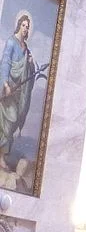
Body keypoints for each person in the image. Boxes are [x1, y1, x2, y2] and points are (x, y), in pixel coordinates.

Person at [0, 11, 47, 172]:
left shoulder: (25, 47)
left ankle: (2, 156)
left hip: (20, 93)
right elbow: (5, 63)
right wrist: (5, 85)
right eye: (23, 25)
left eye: (28, 27)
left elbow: (30, 68)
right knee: (8, 121)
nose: (26, 29)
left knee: (12, 125)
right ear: (19, 25)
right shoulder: (12, 43)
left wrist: (31, 63)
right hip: (10, 90)